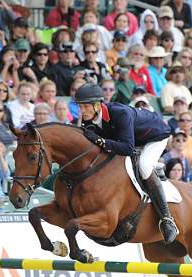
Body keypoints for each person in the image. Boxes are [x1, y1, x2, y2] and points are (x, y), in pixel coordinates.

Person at [74, 83, 178, 244]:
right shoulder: (89, 120)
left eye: (86, 106)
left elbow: (127, 148)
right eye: (80, 107)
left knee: (143, 167)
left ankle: (167, 219)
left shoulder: (119, 114)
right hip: (133, 139)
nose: (83, 111)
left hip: (155, 137)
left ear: (97, 105)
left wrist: (100, 140)